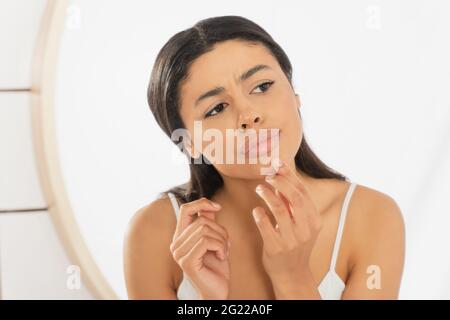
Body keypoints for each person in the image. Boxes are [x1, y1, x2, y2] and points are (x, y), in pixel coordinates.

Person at [123, 15, 405, 300]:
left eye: (262, 86)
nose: (249, 115)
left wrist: (292, 276)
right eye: (217, 108)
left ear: (295, 94)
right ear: (188, 142)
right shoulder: (155, 234)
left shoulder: (371, 218)